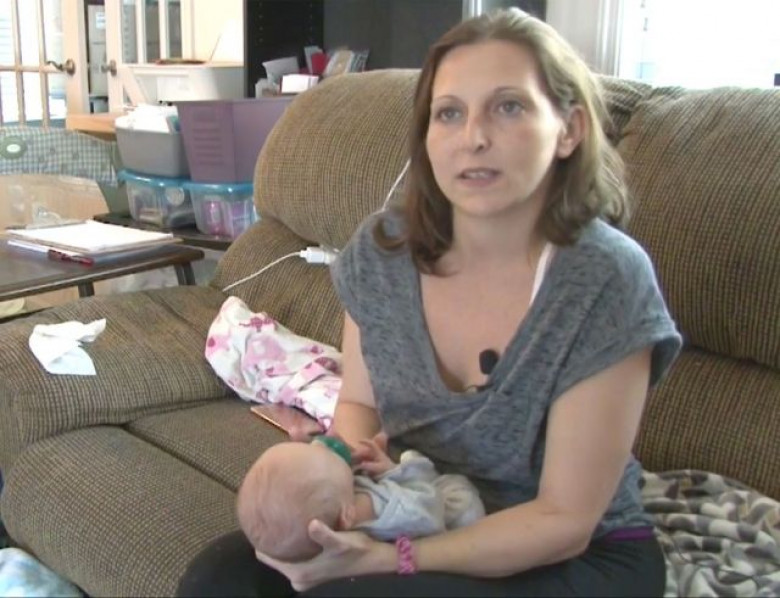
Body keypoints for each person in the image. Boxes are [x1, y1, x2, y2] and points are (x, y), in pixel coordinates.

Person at [177, 7, 682, 597]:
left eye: (509, 107)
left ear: (568, 129)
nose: (474, 137)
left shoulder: (604, 279)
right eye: (450, 113)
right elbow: (359, 404)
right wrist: (335, 467)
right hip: (422, 503)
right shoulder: (383, 254)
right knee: (221, 578)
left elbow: (563, 521)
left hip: (575, 553)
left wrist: (389, 559)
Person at [236, 433, 485, 563]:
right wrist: (396, 471)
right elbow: (430, 505)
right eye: (327, 455)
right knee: (459, 497)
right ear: (347, 516)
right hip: (452, 517)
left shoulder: (336, 506)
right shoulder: (393, 512)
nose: (319, 445)